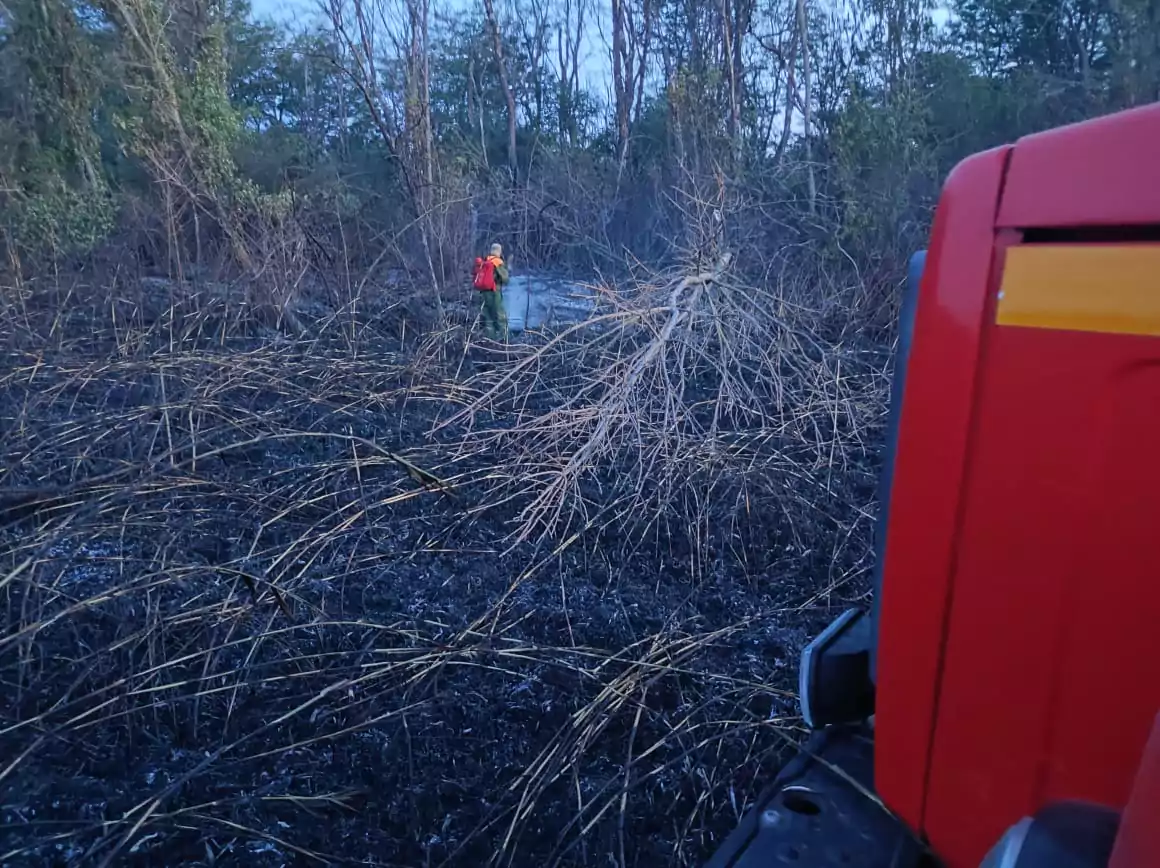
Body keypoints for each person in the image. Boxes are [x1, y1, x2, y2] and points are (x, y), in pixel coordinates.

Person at [472, 243, 510, 340]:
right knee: (500, 316)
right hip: (494, 292)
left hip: (484, 293)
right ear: (499, 251)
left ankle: (490, 340)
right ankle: (505, 340)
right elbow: (505, 279)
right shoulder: (497, 262)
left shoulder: (485, 260)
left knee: (488, 317)